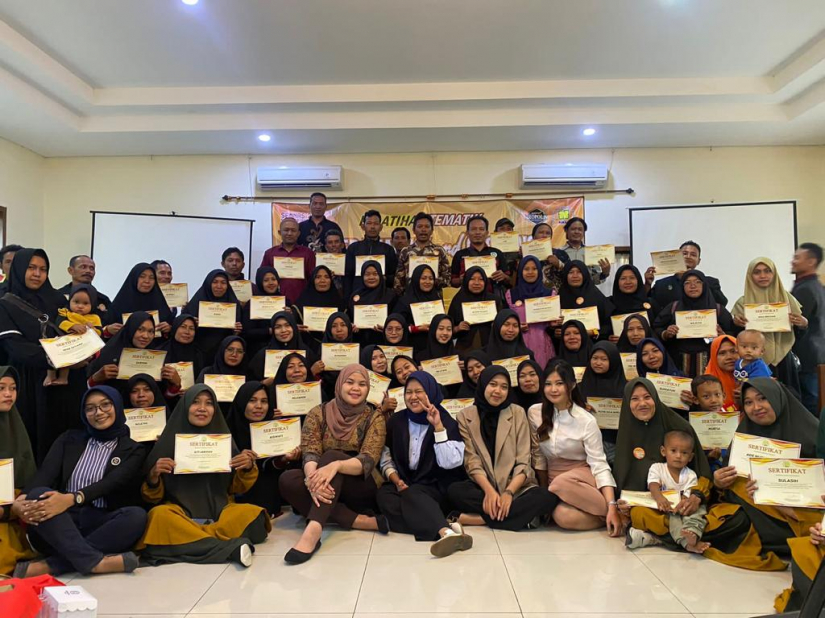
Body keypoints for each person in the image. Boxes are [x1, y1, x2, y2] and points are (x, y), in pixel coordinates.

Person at [618, 378, 787, 570]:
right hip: (653, 506)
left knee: (736, 519)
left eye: (647, 397)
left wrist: (696, 496)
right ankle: (681, 538)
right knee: (639, 514)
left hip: (689, 504)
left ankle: (658, 537)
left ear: (655, 398)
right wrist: (623, 504)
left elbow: (702, 472)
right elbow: (625, 480)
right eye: (635, 399)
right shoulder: (626, 432)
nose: (642, 403)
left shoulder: (679, 427)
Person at [14, 386, 146, 577]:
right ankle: (95, 562)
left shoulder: (133, 449)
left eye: (105, 405)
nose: (98, 413)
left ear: (117, 406)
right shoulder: (69, 439)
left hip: (99, 521)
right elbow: (45, 474)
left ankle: (52, 566)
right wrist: (21, 500)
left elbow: (111, 483)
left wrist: (71, 498)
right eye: (90, 408)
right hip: (61, 520)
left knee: (136, 516)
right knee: (38, 494)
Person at [138, 385, 270, 566]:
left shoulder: (222, 439)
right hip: (180, 516)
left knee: (255, 517)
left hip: (220, 514)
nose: (202, 408)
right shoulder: (167, 443)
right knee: (159, 516)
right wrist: (153, 476)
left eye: (209, 403)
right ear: (185, 407)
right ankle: (228, 548)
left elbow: (237, 488)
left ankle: (191, 541)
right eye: (195, 403)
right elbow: (152, 498)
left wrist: (247, 467)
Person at [278, 365, 388, 564]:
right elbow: (310, 452)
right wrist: (312, 481)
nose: (356, 388)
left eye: (362, 384)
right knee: (287, 479)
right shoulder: (317, 413)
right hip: (324, 481)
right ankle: (358, 521)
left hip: (360, 484)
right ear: (339, 384)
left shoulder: (374, 417)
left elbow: (368, 460)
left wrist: (336, 465)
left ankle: (313, 530)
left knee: (330, 457)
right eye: (350, 382)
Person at [0, 248, 86, 461]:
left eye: (43, 269)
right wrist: (57, 358)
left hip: (66, 382)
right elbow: (16, 347)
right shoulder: (5, 304)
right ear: (19, 269)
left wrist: (83, 348)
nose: (37, 274)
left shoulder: (57, 300)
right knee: (34, 439)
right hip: (30, 382)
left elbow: (71, 329)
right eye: (31, 268)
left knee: (65, 439)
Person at [448, 366, 557, 530]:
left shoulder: (518, 413)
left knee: (546, 497)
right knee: (454, 491)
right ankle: (518, 517)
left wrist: (508, 493)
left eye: (504, 387)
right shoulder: (465, 416)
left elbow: (523, 461)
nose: (498, 391)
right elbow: (472, 461)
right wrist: (490, 492)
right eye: (493, 384)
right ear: (483, 385)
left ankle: (479, 519)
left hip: (516, 487)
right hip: (484, 486)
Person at [377, 371, 472, 557]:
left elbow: (450, 463)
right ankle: (446, 524)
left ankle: (443, 532)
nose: (413, 397)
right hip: (406, 483)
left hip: (435, 486)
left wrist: (438, 427)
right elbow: (386, 455)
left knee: (413, 494)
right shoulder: (397, 420)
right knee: (384, 496)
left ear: (431, 392)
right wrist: (395, 480)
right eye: (408, 392)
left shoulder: (445, 420)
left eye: (419, 391)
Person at [529, 359, 622, 534]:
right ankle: (607, 518)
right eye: (548, 384)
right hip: (554, 478)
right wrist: (543, 489)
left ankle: (614, 512)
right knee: (562, 516)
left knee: (561, 483)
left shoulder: (586, 420)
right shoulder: (535, 412)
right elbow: (538, 456)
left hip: (582, 476)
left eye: (559, 383)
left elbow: (599, 465)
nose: (553, 389)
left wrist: (611, 503)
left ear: (571, 385)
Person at [625, 429, 710, 553]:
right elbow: (653, 485)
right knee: (640, 512)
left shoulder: (690, 474)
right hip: (664, 509)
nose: (678, 456)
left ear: (690, 457)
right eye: (673, 451)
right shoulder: (657, 468)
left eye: (684, 453)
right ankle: (686, 542)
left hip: (682, 508)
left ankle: (691, 533)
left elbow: (688, 496)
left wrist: (683, 506)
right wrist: (660, 498)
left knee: (699, 510)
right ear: (663, 451)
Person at [733, 257, 806, 392]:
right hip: (752, 361)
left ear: (774, 273)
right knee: (757, 397)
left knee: (788, 397)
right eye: (757, 272)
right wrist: (736, 324)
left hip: (784, 358)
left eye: (767, 271)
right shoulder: (742, 303)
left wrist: (803, 324)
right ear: (750, 275)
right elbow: (737, 336)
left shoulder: (788, 299)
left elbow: (799, 333)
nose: (763, 276)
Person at [227, 381, 296, 517]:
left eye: (264, 401)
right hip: (236, 488)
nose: (259, 406)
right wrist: (239, 459)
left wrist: (283, 459)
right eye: (252, 401)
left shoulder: (274, 429)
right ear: (242, 402)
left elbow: (268, 467)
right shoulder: (226, 431)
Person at [654, 270, 735, 377]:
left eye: (697, 282)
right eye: (687, 283)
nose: (693, 286)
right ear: (682, 287)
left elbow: (733, 332)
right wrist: (666, 333)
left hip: (711, 361)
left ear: (704, 285)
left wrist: (722, 335)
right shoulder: (673, 307)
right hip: (678, 362)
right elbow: (657, 327)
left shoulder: (718, 309)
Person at [0, 366, 38, 575]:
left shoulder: (15, 426)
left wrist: (18, 501)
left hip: (11, 507)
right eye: (1, 388)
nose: (8, 394)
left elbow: (27, 476)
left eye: (13, 388)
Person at [87, 312, 169, 397]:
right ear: (130, 329)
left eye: (151, 331)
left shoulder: (156, 357)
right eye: (140, 329)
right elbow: (89, 392)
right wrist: (96, 378)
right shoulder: (109, 354)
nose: (145, 336)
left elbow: (161, 395)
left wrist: (173, 383)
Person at [791, 242, 825, 416]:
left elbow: (794, 323)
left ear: (811, 262)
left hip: (806, 356)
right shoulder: (817, 286)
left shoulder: (804, 289)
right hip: (817, 355)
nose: (793, 261)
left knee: (809, 406)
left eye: (797, 258)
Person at [45, 285, 103, 387]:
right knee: (51, 352)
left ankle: (63, 378)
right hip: (65, 340)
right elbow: (59, 322)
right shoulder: (65, 312)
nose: (80, 306)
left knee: (69, 359)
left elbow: (99, 332)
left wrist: (92, 329)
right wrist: (72, 326)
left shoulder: (94, 318)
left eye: (85, 303)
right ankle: (50, 376)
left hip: (81, 346)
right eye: (76, 302)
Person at [506, 255, 558, 368]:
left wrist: (554, 324)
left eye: (534, 269)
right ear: (520, 271)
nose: (530, 272)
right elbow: (505, 321)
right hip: (518, 343)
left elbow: (553, 325)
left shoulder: (549, 294)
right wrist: (516, 327)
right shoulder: (511, 294)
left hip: (542, 344)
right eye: (526, 269)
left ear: (539, 271)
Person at [579, 341, 627, 461]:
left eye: (604, 359)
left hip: (617, 442)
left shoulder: (625, 388)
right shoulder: (579, 387)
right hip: (585, 442)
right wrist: (580, 408)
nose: (598, 363)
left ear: (613, 361)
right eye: (595, 358)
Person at [182, 270, 243, 362]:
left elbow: (239, 334)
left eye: (223, 283)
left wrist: (236, 331)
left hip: (225, 353)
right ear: (208, 284)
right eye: (215, 282)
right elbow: (180, 328)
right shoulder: (196, 302)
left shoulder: (234, 304)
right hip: (197, 352)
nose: (219, 286)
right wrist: (192, 325)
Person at [647, 241, 728, 307]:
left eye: (693, 255)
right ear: (677, 257)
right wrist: (647, 284)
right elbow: (648, 304)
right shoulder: (661, 284)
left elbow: (722, 303)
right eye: (684, 253)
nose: (688, 257)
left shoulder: (710, 282)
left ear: (698, 261)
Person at [247, 311, 318, 384]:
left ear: (294, 327)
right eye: (278, 327)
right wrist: (264, 383)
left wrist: (311, 372)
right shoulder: (262, 355)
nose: (283, 330)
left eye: (287, 325)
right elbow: (250, 384)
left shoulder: (307, 352)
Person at [260, 217, 316, 305]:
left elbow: (313, 278)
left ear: (298, 233)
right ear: (279, 232)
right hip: (275, 302)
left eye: (293, 230)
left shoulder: (308, 253)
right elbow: (262, 279)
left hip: (301, 301)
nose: (289, 233)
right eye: (286, 230)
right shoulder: (270, 253)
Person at [105, 263, 173, 336]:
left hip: (157, 343)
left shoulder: (160, 303)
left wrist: (169, 329)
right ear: (134, 278)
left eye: (151, 277)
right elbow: (102, 331)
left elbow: (172, 330)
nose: (147, 281)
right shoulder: (119, 304)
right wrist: (108, 330)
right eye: (142, 276)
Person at [448, 266, 502, 357]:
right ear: (466, 281)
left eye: (481, 279)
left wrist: (497, 325)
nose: (476, 283)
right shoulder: (458, 300)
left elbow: (504, 325)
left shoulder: (494, 300)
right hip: (464, 349)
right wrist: (457, 328)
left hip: (492, 348)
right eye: (472, 279)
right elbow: (447, 329)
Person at [450, 216, 511, 296]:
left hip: (493, 297)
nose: (477, 232)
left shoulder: (497, 253)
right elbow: (452, 282)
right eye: (473, 229)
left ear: (487, 233)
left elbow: (509, 280)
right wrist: (460, 280)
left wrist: (504, 277)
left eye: (481, 229)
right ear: (467, 233)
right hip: (467, 299)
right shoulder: (459, 255)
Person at [393, 212, 451, 294]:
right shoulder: (406, 251)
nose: (423, 229)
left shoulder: (439, 251)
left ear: (432, 230)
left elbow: (448, 278)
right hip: (411, 297)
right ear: (414, 230)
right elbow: (398, 280)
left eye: (427, 226)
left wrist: (431, 281)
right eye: (420, 226)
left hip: (434, 297)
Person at [345, 210, 399, 296]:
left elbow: (394, 276)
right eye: (369, 223)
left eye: (376, 224)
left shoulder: (388, 249)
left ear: (380, 227)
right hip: (358, 295)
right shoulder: (353, 248)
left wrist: (384, 278)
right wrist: (348, 298)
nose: (372, 227)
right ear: (363, 226)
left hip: (381, 295)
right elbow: (348, 276)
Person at [394, 264, 444, 354]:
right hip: (412, 346)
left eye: (431, 278)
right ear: (416, 279)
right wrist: (415, 329)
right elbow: (396, 326)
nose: (427, 282)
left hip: (435, 346)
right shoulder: (404, 301)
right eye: (423, 278)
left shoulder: (437, 299)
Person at [558, 260, 613, 337]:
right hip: (566, 342)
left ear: (585, 274)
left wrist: (593, 332)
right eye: (571, 272)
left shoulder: (595, 295)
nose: (575, 276)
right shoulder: (559, 296)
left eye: (579, 272)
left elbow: (608, 325)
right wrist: (555, 331)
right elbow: (551, 325)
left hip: (592, 342)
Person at [156, 314, 204, 401]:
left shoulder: (199, 354)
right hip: (164, 401)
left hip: (192, 400)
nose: (187, 332)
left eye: (191, 328)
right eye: (183, 327)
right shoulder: (160, 353)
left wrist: (193, 391)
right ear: (175, 328)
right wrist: (174, 389)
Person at [349, 260, 396, 346]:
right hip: (360, 341)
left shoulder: (390, 295)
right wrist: (351, 325)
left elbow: (396, 318)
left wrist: (388, 327)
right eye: (367, 274)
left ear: (380, 275)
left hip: (384, 341)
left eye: (375, 274)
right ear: (362, 276)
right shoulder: (355, 295)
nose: (371, 277)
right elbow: (349, 317)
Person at [242, 267, 283, 357]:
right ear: (260, 283)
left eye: (273, 279)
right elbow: (246, 332)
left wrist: (290, 315)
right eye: (266, 280)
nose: (271, 283)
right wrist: (268, 331)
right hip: (257, 352)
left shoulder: (285, 302)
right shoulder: (252, 303)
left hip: (281, 350)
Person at [559, 217, 610, 284]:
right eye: (573, 229)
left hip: (586, 290)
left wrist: (605, 273)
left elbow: (595, 280)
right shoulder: (559, 253)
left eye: (580, 229)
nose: (576, 232)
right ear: (566, 231)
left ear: (584, 232)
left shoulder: (591, 252)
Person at [609, 264, 659, 328]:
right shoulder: (609, 304)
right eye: (623, 278)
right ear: (617, 282)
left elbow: (658, 328)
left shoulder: (650, 303)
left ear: (638, 280)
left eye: (632, 278)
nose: (628, 282)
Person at [529, 222, 571, 293]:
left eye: (548, 233)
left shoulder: (560, 254)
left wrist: (558, 264)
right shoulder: (526, 255)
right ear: (533, 236)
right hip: (532, 295)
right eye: (541, 232)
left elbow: (571, 274)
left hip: (556, 295)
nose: (544, 235)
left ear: (551, 237)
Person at [703, 335, 739, 410]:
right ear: (714, 356)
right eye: (722, 353)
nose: (729, 357)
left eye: (733, 351)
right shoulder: (704, 384)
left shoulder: (753, 376)